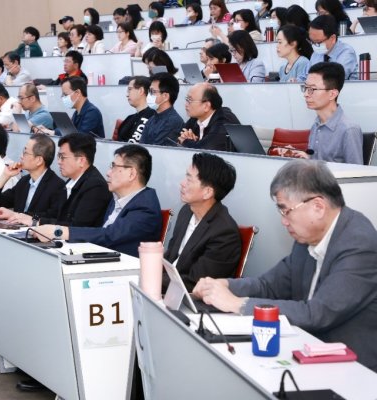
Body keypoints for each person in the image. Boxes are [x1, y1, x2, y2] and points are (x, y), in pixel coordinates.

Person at [192, 159, 377, 372]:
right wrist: (223, 285)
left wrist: (238, 304)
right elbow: (269, 286)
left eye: (286, 210)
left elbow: (317, 314)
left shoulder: (359, 244)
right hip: (307, 350)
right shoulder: (307, 237)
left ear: (318, 207)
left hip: (353, 369)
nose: (283, 221)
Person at [34, 144, 162, 258]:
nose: (108, 173)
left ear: (132, 174)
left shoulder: (145, 207)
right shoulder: (117, 199)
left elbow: (109, 235)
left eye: (114, 167)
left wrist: (59, 231)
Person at [163, 152, 240, 292]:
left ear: (207, 192)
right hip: (167, 286)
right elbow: (170, 258)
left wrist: (151, 278)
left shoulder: (225, 233)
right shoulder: (186, 212)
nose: (182, 183)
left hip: (190, 298)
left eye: (189, 179)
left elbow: (195, 283)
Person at [7, 134, 111, 228]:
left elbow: (76, 227)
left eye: (63, 157)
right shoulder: (71, 182)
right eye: (59, 156)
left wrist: (35, 222)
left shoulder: (96, 186)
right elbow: (54, 215)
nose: (59, 162)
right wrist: (20, 216)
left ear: (81, 160)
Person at [0, 135, 66, 217]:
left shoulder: (58, 186)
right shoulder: (24, 181)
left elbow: (52, 217)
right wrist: (5, 176)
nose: (21, 156)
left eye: (25, 153)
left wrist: (16, 215)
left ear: (39, 160)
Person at [302, 62, 363, 164]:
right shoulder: (316, 125)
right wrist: (303, 158)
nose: (305, 94)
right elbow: (317, 164)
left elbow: (356, 172)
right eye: (305, 88)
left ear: (332, 94)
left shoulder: (349, 130)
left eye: (312, 89)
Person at [178, 83, 240, 150]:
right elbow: (177, 138)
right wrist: (189, 141)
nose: (186, 104)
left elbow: (206, 149)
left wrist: (185, 141)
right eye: (187, 99)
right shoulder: (196, 117)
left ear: (206, 106)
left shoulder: (224, 120)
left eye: (190, 100)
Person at [39, 76, 105, 137]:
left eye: (65, 94)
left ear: (77, 93)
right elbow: (69, 131)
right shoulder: (77, 113)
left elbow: (81, 137)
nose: (62, 97)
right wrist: (48, 130)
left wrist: (52, 132)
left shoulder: (92, 112)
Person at [139, 72, 184, 146]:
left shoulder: (173, 122)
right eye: (149, 91)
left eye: (153, 92)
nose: (149, 95)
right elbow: (142, 145)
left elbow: (158, 149)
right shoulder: (152, 119)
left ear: (165, 96)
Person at [308, 15, 358, 80]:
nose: (314, 45)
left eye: (318, 42)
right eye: (312, 41)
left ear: (332, 38)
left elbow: (335, 80)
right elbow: (307, 76)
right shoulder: (316, 53)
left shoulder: (347, 52)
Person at [117, 76, 156, 143]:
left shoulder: (152, 117)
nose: (127, 95)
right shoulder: (129, 118)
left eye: (130, 89)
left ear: (141, 91)